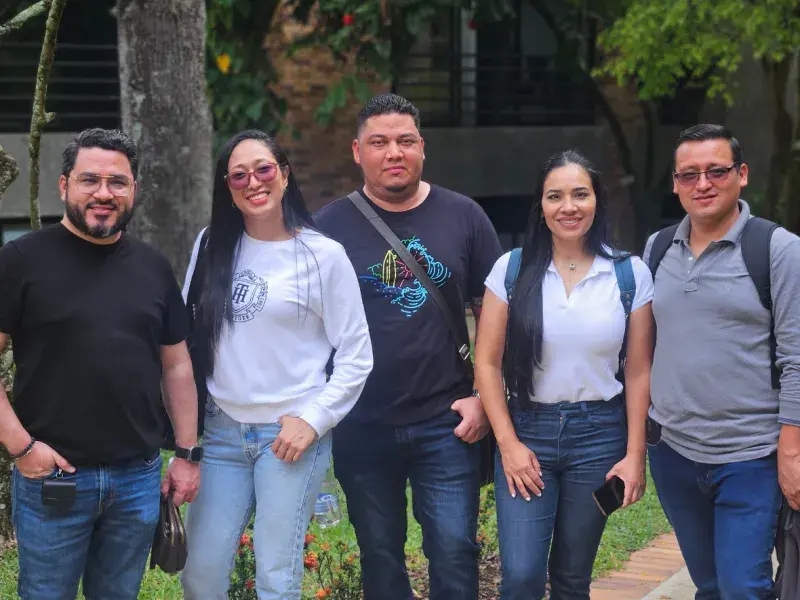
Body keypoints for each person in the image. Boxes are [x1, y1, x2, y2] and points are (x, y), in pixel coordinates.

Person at [313, 92, 503, 600]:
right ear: (358, 152)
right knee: (379, 555)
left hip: (448, 421)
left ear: (422, 148)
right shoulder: (326, 228)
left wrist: (486, 399)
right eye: (379, 142)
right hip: (361, 422)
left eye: (405, 141)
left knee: (455, 549)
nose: (393, 152)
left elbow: (496, 317)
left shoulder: (465, 217)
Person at [0, 128, 200, 600]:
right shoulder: (20, 261)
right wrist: (22, 448)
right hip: (52, 476)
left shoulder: (152, 267)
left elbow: (177, 367)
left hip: (137, 478)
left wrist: (188, 455)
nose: (104, 193)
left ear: (133, 190)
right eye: (90, 180)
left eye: (118, 182)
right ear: (64, 185)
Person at [179, 130, 373, 600]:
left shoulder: (322, 256)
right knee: (199, 572)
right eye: (238, 175)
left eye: (264, 169)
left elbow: (356, 356)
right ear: (227, 188)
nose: (253, 182)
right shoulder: (210, 246)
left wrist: (313, 420)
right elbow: (184, 340)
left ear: (284, 175)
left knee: (276, 575)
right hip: (222, 431)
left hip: (288, 438)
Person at [474, 150, 655, 599]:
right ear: (541, 206)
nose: (568, 206)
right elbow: (487, 362)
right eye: (555, 196)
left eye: (580, 194)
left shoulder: (629, 274)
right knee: (520, 575)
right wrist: (509, 444)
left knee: (574, 577)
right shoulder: (512, 270)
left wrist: (635, 456)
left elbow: (638, 371)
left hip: (599, 439)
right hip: (527, 433)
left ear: (597, 201)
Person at [643, 124, 800, 599]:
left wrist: (791, 454)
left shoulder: (778, 249)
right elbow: (641, 352)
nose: (703, 184)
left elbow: (797, 359)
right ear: (674, 183)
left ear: (742, 174)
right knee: (709, 585)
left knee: (742, 587)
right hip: (674, 454)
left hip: (751, 455)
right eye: (689, 174)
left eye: (716, 170)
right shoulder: (656, 249)